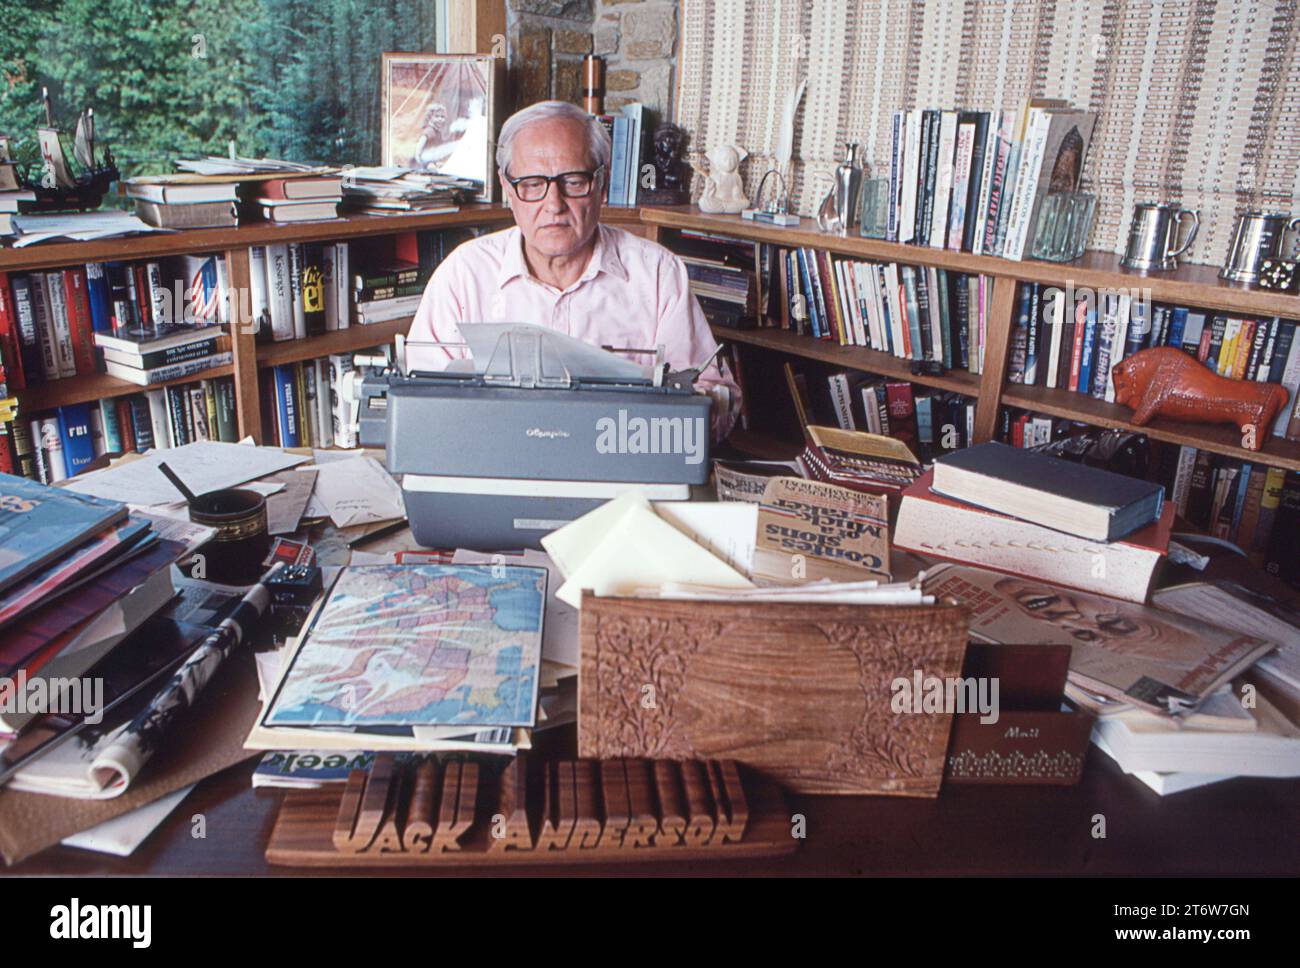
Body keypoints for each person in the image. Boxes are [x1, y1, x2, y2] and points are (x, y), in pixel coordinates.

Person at [406, 100, 740, 438]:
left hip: (621, 461)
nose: (554, 205)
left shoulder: (657, 274)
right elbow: (419, 403)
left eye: (574, 181)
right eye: (532, 184)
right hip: (492, 459)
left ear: (602, 185)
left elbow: (714, 406)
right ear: (508, 189)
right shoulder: (464, 274)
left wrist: (701, 404)